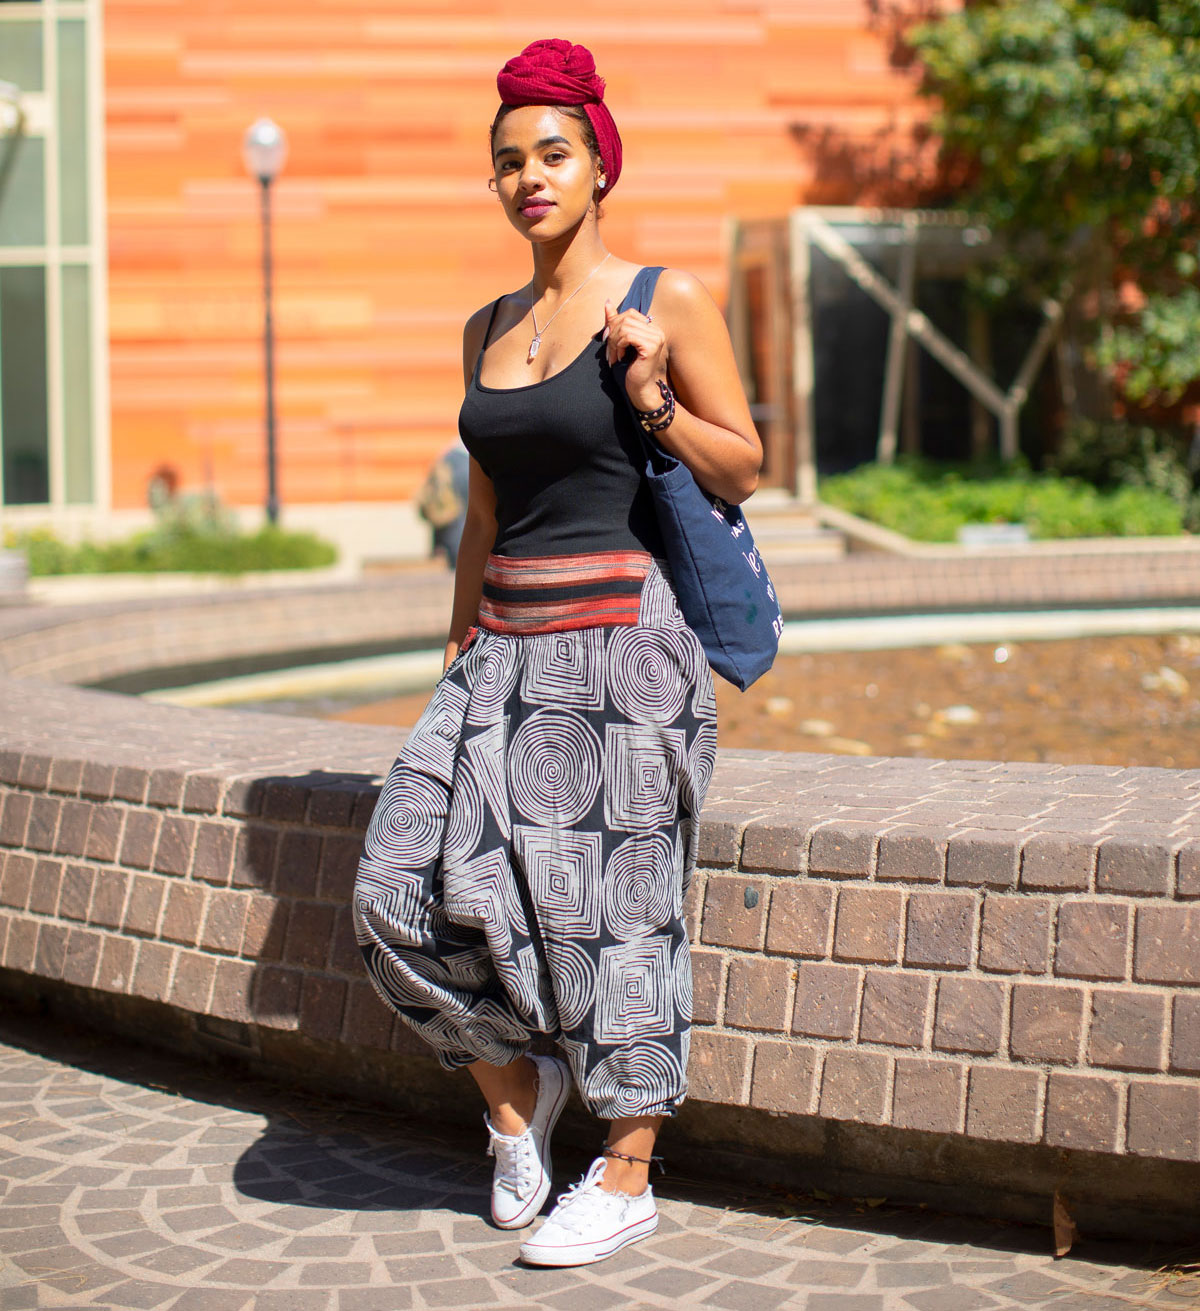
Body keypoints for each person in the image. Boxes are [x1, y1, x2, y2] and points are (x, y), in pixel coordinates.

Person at [352, 37, 761, 1268]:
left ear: (597, 166)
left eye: (553, 153)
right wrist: (456, 640)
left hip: (626, 649)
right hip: (503, 645)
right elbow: (481, 511)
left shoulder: (664, 297)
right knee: (392, 889)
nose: (530, 177)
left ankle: (628, 1170)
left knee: (621, 916)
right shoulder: (484, 324)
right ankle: (518, 1102)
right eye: (509, 163)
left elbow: (743, 463)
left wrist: (652, 400)